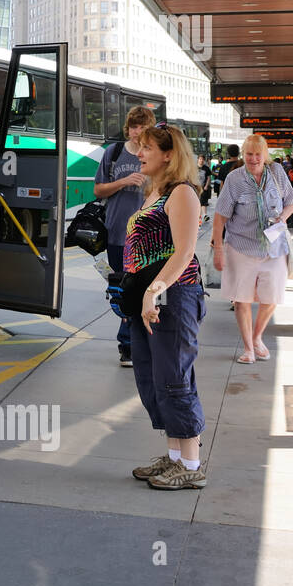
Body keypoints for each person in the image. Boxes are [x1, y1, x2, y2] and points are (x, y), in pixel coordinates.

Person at [127, 124, 207, 490]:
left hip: (173, 297)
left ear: (169, 154)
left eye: (146, 148)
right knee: (154, 378)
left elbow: (184, 251)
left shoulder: (182, 193)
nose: (138, 152)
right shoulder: (154, 191)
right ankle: (175, 457)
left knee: (175, 378)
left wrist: (154, 289)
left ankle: (191, 464)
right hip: (150, 298)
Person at [211, 134, 293, 364]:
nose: (253, 159)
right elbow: (220, 218)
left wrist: (282, 217)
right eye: (249, 154)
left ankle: (258, 337)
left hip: (274, 246)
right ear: (243, 155)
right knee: (242, 298)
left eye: (258, 154)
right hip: (241, 246)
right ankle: (248, 348)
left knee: (272, 296)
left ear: (265, 155)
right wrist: (218, 249)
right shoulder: (234, 179)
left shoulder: (277, 173)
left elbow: (291, 201)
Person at [93, 105, 155, 367]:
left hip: (148, 235)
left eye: (141, 127)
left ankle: (143, 341)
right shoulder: (114, 153)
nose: (136, 132)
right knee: (123, 290)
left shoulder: (155, 155)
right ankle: (127, 345)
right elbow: (98, 190)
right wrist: (123, 181)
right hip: (118, 233)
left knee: (146, 290)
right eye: (132, 126)